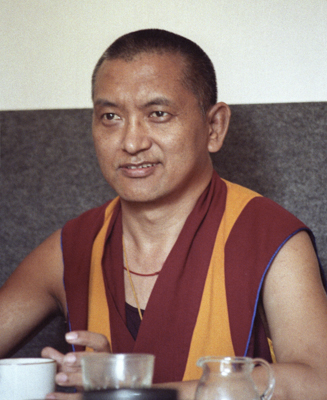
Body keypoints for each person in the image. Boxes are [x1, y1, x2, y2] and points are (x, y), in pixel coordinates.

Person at [1, 29, 327, 400]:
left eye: (158, 114)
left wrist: (130, 394)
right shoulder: (73, 247)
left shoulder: (268, 237)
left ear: (214, 127)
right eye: (110, 116)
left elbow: (318, 381)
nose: (131, 142)